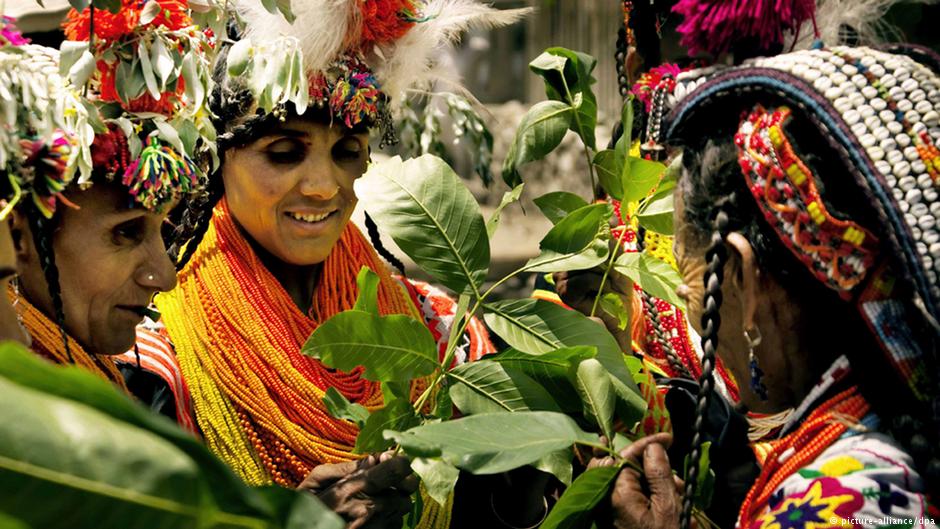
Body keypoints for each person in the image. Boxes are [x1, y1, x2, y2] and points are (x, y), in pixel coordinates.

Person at [138, 2, 545, 527]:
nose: (325, 186)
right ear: (219, 158)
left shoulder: (442, 331)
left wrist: (531, 472)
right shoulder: (158, 359)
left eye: (347, 151)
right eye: (284, 153)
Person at [600, 42, 940, 529]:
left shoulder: (830, 503)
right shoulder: (899, 432)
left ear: (743, 275)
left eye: (687, 270)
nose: (681, 295)